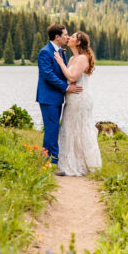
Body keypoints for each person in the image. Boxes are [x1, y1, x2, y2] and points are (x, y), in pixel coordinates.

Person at [53, 30, 102, 176]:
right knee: (69, 129)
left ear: (78, 42)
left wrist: (61, 63)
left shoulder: (82, 58)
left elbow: (73, 77)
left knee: (82, 129)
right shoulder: (73, 59)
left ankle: (86, 165)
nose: (69, 38)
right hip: (71, 99)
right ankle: (70, 163)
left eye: (73, 37)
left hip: (80, 99)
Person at [36, 24, 81, 165]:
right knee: (52, 128)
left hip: (57, 97)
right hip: (48, 98)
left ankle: (46, 158)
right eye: (65, 35)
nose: (67, 37)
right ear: (57, 37)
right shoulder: (45, 52)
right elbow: (48, 75)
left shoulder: (61, 51)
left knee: (53, 128)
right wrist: (67, 87)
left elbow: (64, 72)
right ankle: (55, 162)